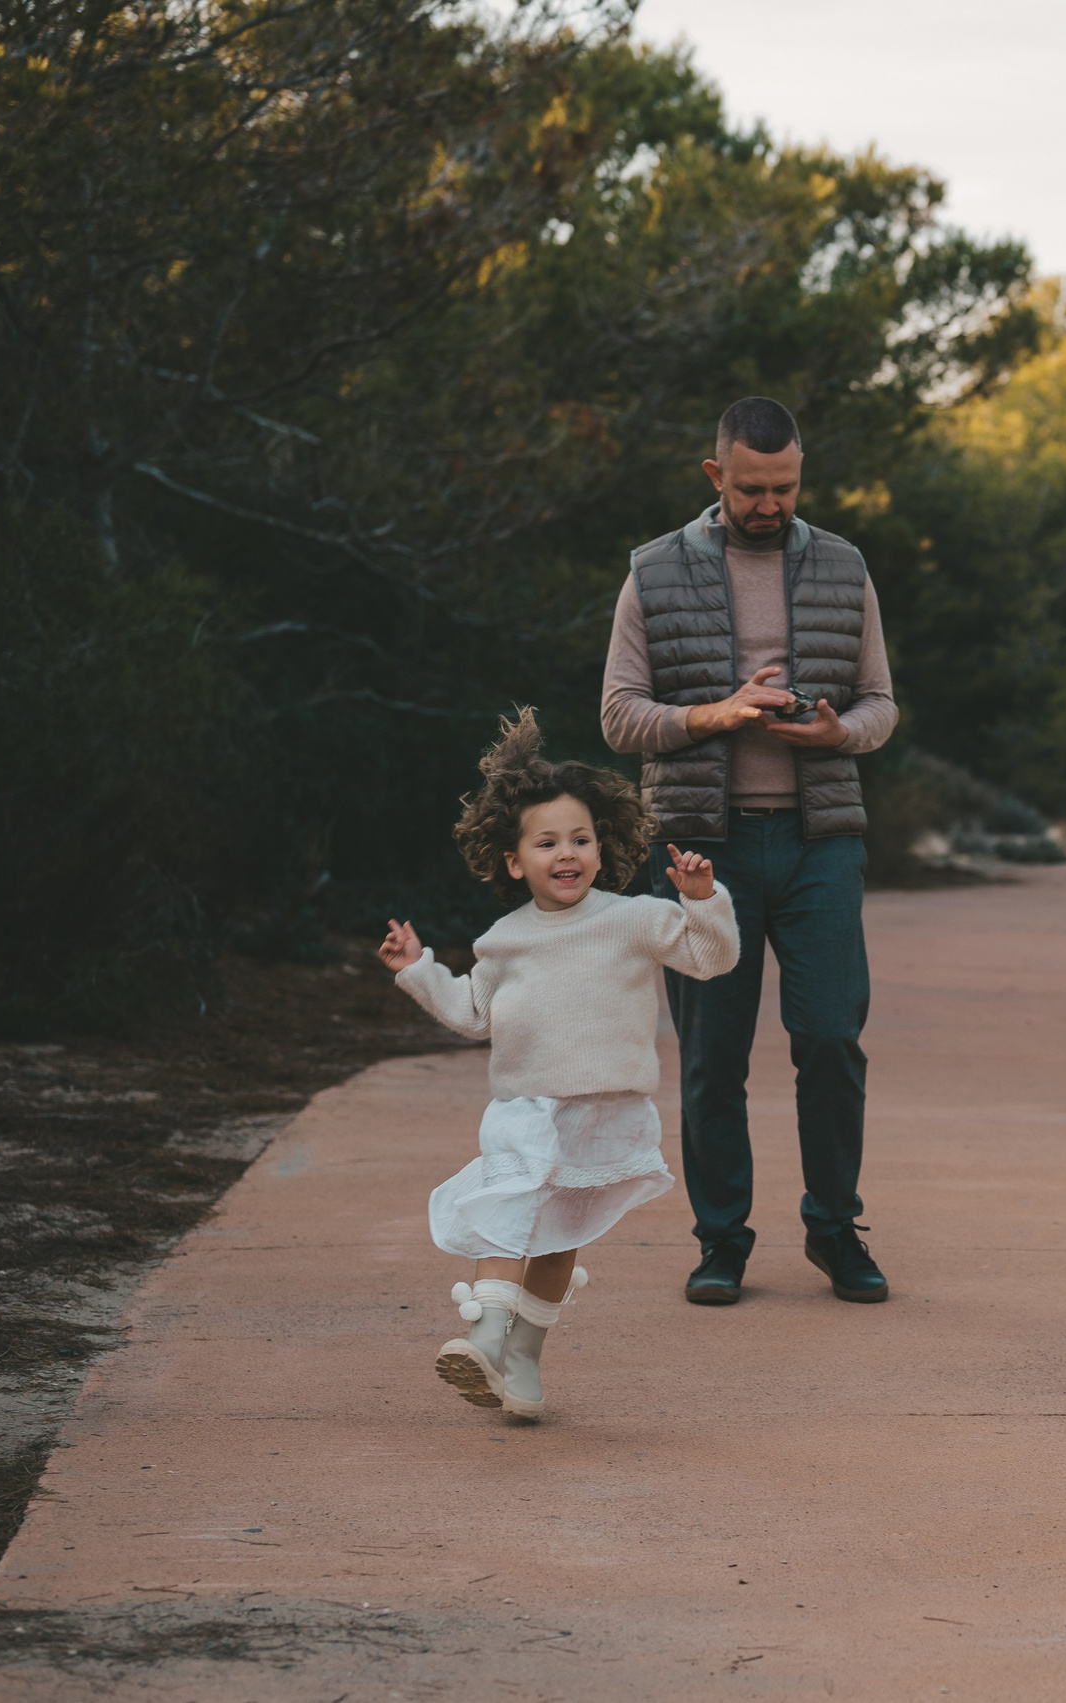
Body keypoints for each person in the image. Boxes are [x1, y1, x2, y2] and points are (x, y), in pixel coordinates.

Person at [601, 396, 899, 1307]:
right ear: (714, 476)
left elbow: (882, 703)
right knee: (710, 1056)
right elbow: (618, 715)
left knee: (831, 1040)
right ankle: (721, 1240)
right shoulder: (653, 571)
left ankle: (834, 1228)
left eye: (786, 487)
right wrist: (716, 715)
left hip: (819, 845)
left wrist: (836, 733)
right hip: (702, 852)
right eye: (752, 489)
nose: (770, 504)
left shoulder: (845, 565)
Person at [377, 709, 740, 1419]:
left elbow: (710, 958)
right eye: (546, 842)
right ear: (515, 861)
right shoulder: (502, 941)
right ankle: (482, 1334)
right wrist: (420, 969)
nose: (566, 852)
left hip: (607, 1112)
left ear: (601, 849)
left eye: (580, 838)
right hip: (527, 1109)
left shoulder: (634, 919)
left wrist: (704, 901)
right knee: (507, 1214)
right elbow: (471, 1014)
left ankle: (523, 1363)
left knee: (559, 1238)